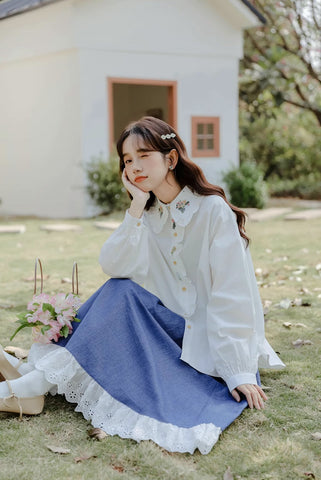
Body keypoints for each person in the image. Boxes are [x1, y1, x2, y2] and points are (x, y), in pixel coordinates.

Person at [0, 116, 284, 454]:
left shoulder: (212, 212)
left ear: (171, 158)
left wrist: (238, 371)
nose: (134, 166)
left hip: (200, 335)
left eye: (143, 155)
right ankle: (34, 381)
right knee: (119, 289)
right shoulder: (148, 215)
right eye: (127, 160)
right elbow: (114, 266)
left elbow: (231, 294)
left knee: (121, 295)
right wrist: (136, 206)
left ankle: (33, 382)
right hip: (161, 328)